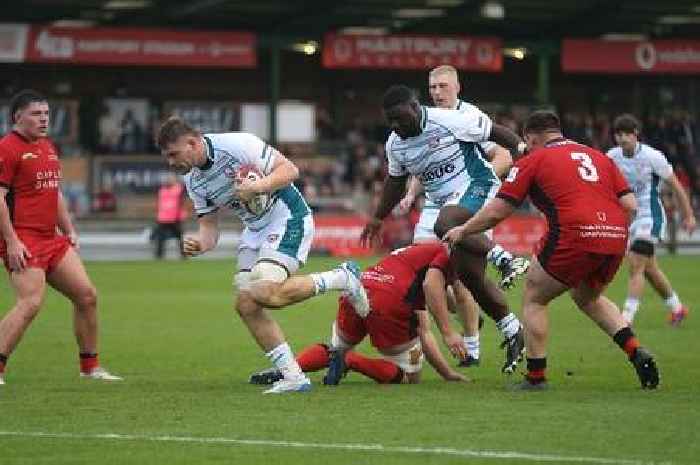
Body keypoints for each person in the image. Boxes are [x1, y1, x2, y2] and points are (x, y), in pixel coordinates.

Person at [444, 110, 660, 390]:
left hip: (574, 234)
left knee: (534, 297)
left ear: (530, 137)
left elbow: (498, 211)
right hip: (616, 235)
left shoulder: (534, 159)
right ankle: (635, 350)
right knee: (588, 297)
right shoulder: (599, 156)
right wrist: (611, 233)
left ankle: (536, 378)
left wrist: (463, 230)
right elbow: (630, 205)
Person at [157, 117, 369, 394]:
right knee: (246, 304)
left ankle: (342, 278)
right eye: (167, 157)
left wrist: (257, 187)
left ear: (192, 142)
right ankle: (293, 376)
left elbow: (290, 170)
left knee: (264, 290)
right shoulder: (193, 180)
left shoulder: (237, 144)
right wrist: (200, 243)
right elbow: (209, 229)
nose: (171, 162)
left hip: (288, 217)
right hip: (255, 232)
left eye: (173, 154)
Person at [361, 84, 529, 374]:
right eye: (390, 121)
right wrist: (378, 217)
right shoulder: (395, 144)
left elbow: (498, 133)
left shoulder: (450, 119)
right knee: (470, 277)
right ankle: (513, 329)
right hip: (443, 202)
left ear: (415, 108)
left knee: (445, 224)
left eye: (400, 118)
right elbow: (395, 181)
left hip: (478, 186)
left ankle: (505, 259)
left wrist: (527, 156)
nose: (395, 126)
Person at [397, 65, 516, 368]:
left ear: (457, 87)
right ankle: (459, 326)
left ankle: (472, 347)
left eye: (443, 86)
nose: (437, 92)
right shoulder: (422, 118)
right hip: (434, 206)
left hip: (469, 201)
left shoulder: (469, 116)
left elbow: (504, 155)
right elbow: (422, 164)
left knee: (463, 279)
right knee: (423, 276)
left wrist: (474, 183)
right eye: (433, 87)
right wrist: (411, 193)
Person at [0, 90, 121, 385]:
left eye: (46, 114)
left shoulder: (46, 146)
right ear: (18, 117)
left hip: (50, 238)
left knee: (87, 296)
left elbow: (53, 192)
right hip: (23, 238)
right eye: (36, 114)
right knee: (30, 303)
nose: (44, 120)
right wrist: (13, 242)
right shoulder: (7, 148)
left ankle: (90, 367)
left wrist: (68, 230)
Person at [250, 243, 469, 386]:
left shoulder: (415, 253)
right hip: (389, 301)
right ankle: (351, 361)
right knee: (409, 376)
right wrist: (447, 372)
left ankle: (288, 369)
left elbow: (444, 296)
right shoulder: (442, 263)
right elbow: (426, 327)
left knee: (335, 349)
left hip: (359, 285)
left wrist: (454, 308)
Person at [608, 114, 696, 326]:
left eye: (626, 134)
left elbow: (676, 185)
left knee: (636, 263)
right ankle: (677, 308)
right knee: (649, 270)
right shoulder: (611, 156)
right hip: (631, 219)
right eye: (618, 135)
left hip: (651, 215)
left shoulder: (652, 156)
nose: (621, 139)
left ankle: (626, 318)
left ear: (635, 134)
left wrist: (689, 215)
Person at [153, 173, 187, 259]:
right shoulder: (162, 190)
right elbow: (159, 204)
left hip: (175, 218)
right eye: (168, 179)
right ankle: (159, 255)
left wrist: (181, 215)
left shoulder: (179, 189)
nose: (168, 180)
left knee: (180, 238)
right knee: (160, 238)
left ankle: (184, 255)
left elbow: (182, 203)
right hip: (163, 218)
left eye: (171, 179)